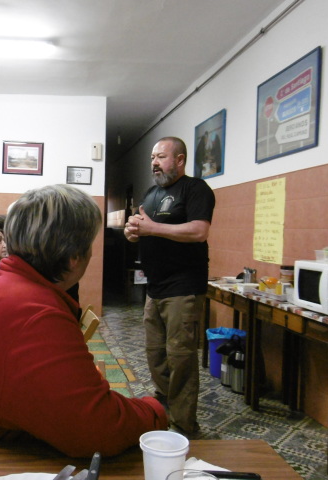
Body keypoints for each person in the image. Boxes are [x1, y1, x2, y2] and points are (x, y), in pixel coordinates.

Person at [0, 184, 167, 457]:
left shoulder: (9, 285)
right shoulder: (37, 311)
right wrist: (156, 410)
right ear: (74, 256)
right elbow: (98, 429)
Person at [124, 136, 215, 437]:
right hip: (155, 287)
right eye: (153, 157)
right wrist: (133, 231)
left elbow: (199, 231)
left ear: (179, 160)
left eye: (161, 157)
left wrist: (152, 228)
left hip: (183, 287)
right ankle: (164, 408)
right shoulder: (151, 193)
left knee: (181, 357)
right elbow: (142, 228)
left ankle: (184, 426)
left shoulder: (195, 189)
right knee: (155, 354)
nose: (154, 163)